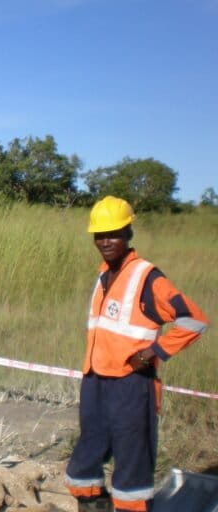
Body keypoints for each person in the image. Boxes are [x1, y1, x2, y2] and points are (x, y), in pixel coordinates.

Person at [65, 196, 208, 512]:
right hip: (95, 380)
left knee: (132, 462)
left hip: (131, 385)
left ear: (128, 233)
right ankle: (93, 504)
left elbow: (194, 320)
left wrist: (153, 352)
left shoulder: (147, 278)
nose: (105, 241)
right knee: (85, 459)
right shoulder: (103, 276)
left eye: (113, 233)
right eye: (99, 235)